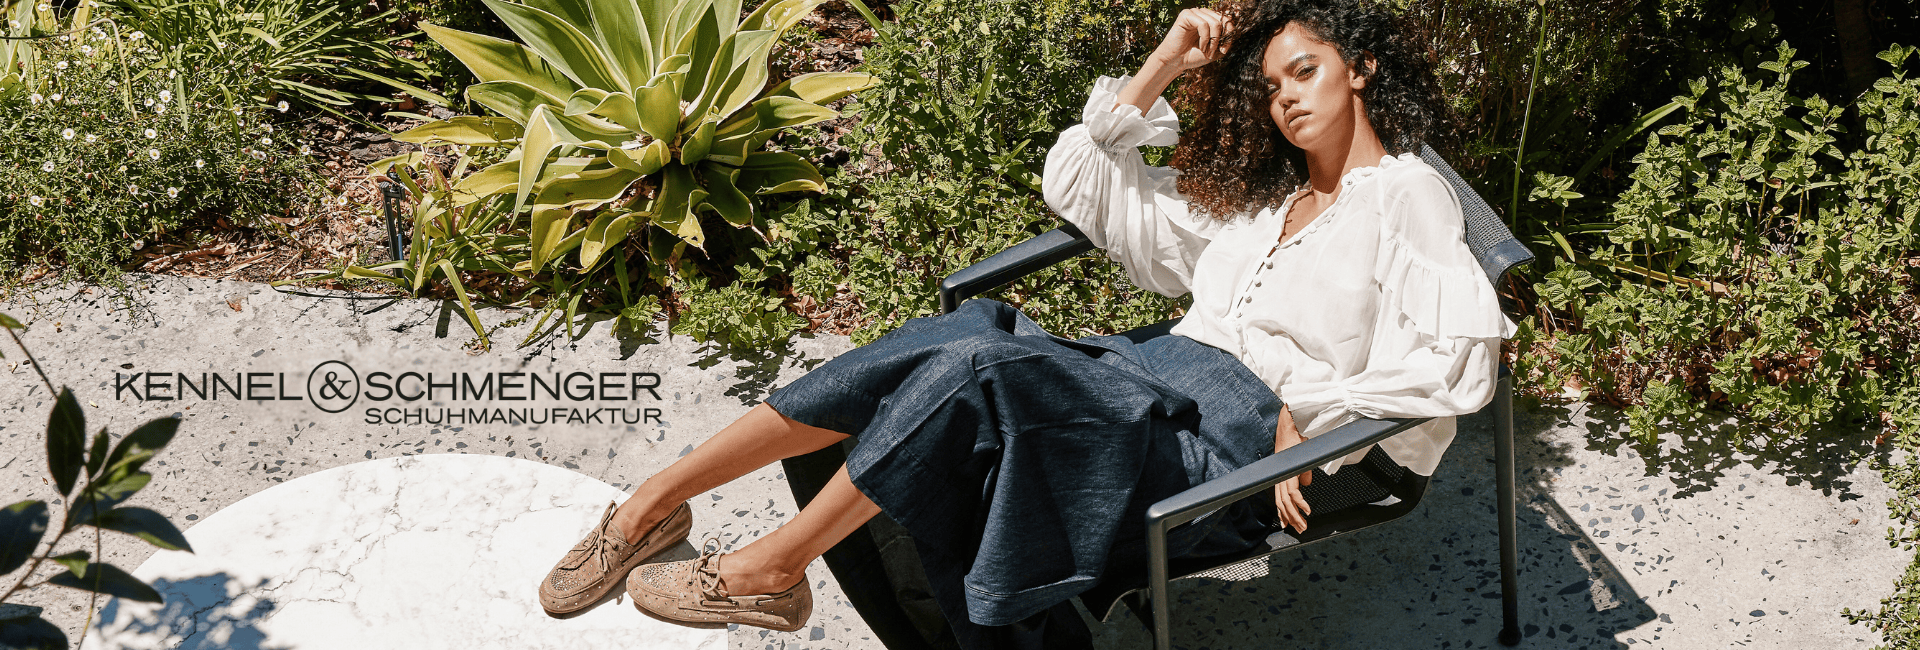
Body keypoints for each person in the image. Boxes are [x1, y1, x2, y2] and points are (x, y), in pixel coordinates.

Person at [536, 0, 1514, 645]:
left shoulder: (1404, 196)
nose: (1286, 97)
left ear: (1362, 69)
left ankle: (770, 565)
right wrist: (1165, 60)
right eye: (1271, 85)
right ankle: (651, 506)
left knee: (975, 372)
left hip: (1224, 454)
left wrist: (1315, 419)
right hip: (1141, 386)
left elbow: (1458, 356)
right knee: (960, 338)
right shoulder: (1263, 205)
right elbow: (1083, 183)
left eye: (1304, 71)